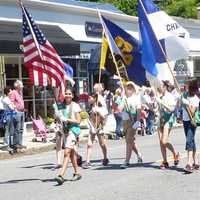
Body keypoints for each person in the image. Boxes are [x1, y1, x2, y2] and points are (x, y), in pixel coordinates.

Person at [54, 88, 82, 185]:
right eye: (66, 93)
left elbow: (78, 121)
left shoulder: (75, 106)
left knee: (66, 152)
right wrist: (58, 117)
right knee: (71, 154)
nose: (68, 95)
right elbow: (59, 119)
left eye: (70, 94)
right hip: (64, 132)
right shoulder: (61, 106)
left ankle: (61, 175)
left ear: (72, 95)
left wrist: (67, 119)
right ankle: (77, 173)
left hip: (73, 131)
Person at [82, 83, 109, 169]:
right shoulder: (89, 107)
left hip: (99, 126)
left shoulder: (101, 104)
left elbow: (104, 116)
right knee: (89, 144)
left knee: (102, 144)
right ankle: (88, 161)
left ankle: (105, 157)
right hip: (92, 127)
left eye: (91, 98)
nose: (89, 99)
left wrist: (99, 112)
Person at [157, 81, 179, 169]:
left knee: (164, 141)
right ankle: (165, 161)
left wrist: (162, 103)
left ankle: (175, 153)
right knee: (161, 142)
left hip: (168, 120)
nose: (159, 88)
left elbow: (171, 109)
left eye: (160, 87)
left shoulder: (170, 96)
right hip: (160, 120)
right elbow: (157, 109)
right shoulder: (159, 96)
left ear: (165, 87)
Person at [120, 81, 143, 169]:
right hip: (125, 121)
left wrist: (137, 121)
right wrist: (122, 98)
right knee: (130, 141)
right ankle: (139, 155)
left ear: (133, 89)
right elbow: (119, 109)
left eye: (130, 88)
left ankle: (127, 161)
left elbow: (139, 110)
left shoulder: (136, 98)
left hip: (132, 120)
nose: (128, 89)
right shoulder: (124, 98)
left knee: (128, 141)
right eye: (127, 87)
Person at [181, 79, 200, 173]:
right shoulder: (184, 95)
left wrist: (187, 103)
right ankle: (196, 162)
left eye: (187, 84)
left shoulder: (195, 98)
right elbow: (180, 106)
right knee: (191, 140)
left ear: (191, 86)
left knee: (189, 141)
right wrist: (182, 101)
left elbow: (192, 112)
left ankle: (189, 164)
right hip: (185, 120)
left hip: (192, 121)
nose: (185, 85)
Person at [10, 80, 26, 150]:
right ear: (17, 86)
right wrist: (15, 110)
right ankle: (16, 144)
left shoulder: (19, 93)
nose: (22, 86)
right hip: (17, 112)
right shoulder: (13, 92)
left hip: (22, 112)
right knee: (17, 129)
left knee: (21, 129)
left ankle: (20, 143)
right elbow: (11, 102)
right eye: (21, 85)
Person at [1, 87, 16, 152]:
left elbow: (13, 106)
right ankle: (6, 145)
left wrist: (13, 106)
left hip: (10, 115)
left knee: (10, 130)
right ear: (7, 92)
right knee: (7, 131)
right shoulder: (6, 99)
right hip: (7, 116)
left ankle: (9, 144)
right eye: (10, 91)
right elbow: (12, 108)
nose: (11, 92)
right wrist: (13, 106)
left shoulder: (8, 99)